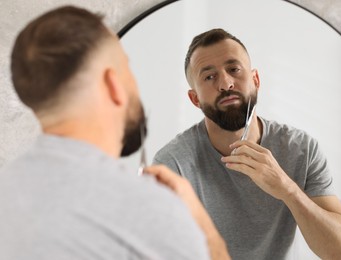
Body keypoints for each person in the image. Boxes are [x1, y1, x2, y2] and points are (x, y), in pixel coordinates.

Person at [0, 7, 231, 260]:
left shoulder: (7, 191)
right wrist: (202, 226)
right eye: (126, 67)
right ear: (113, 83)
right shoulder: (149, 208)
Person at [153, 28, 341, 259]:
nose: (226, 83)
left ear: (255, 79)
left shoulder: (302, 150)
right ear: (195, 98)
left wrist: (287, 189)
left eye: (234, 69)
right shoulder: (173, 163)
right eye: (209, 76)